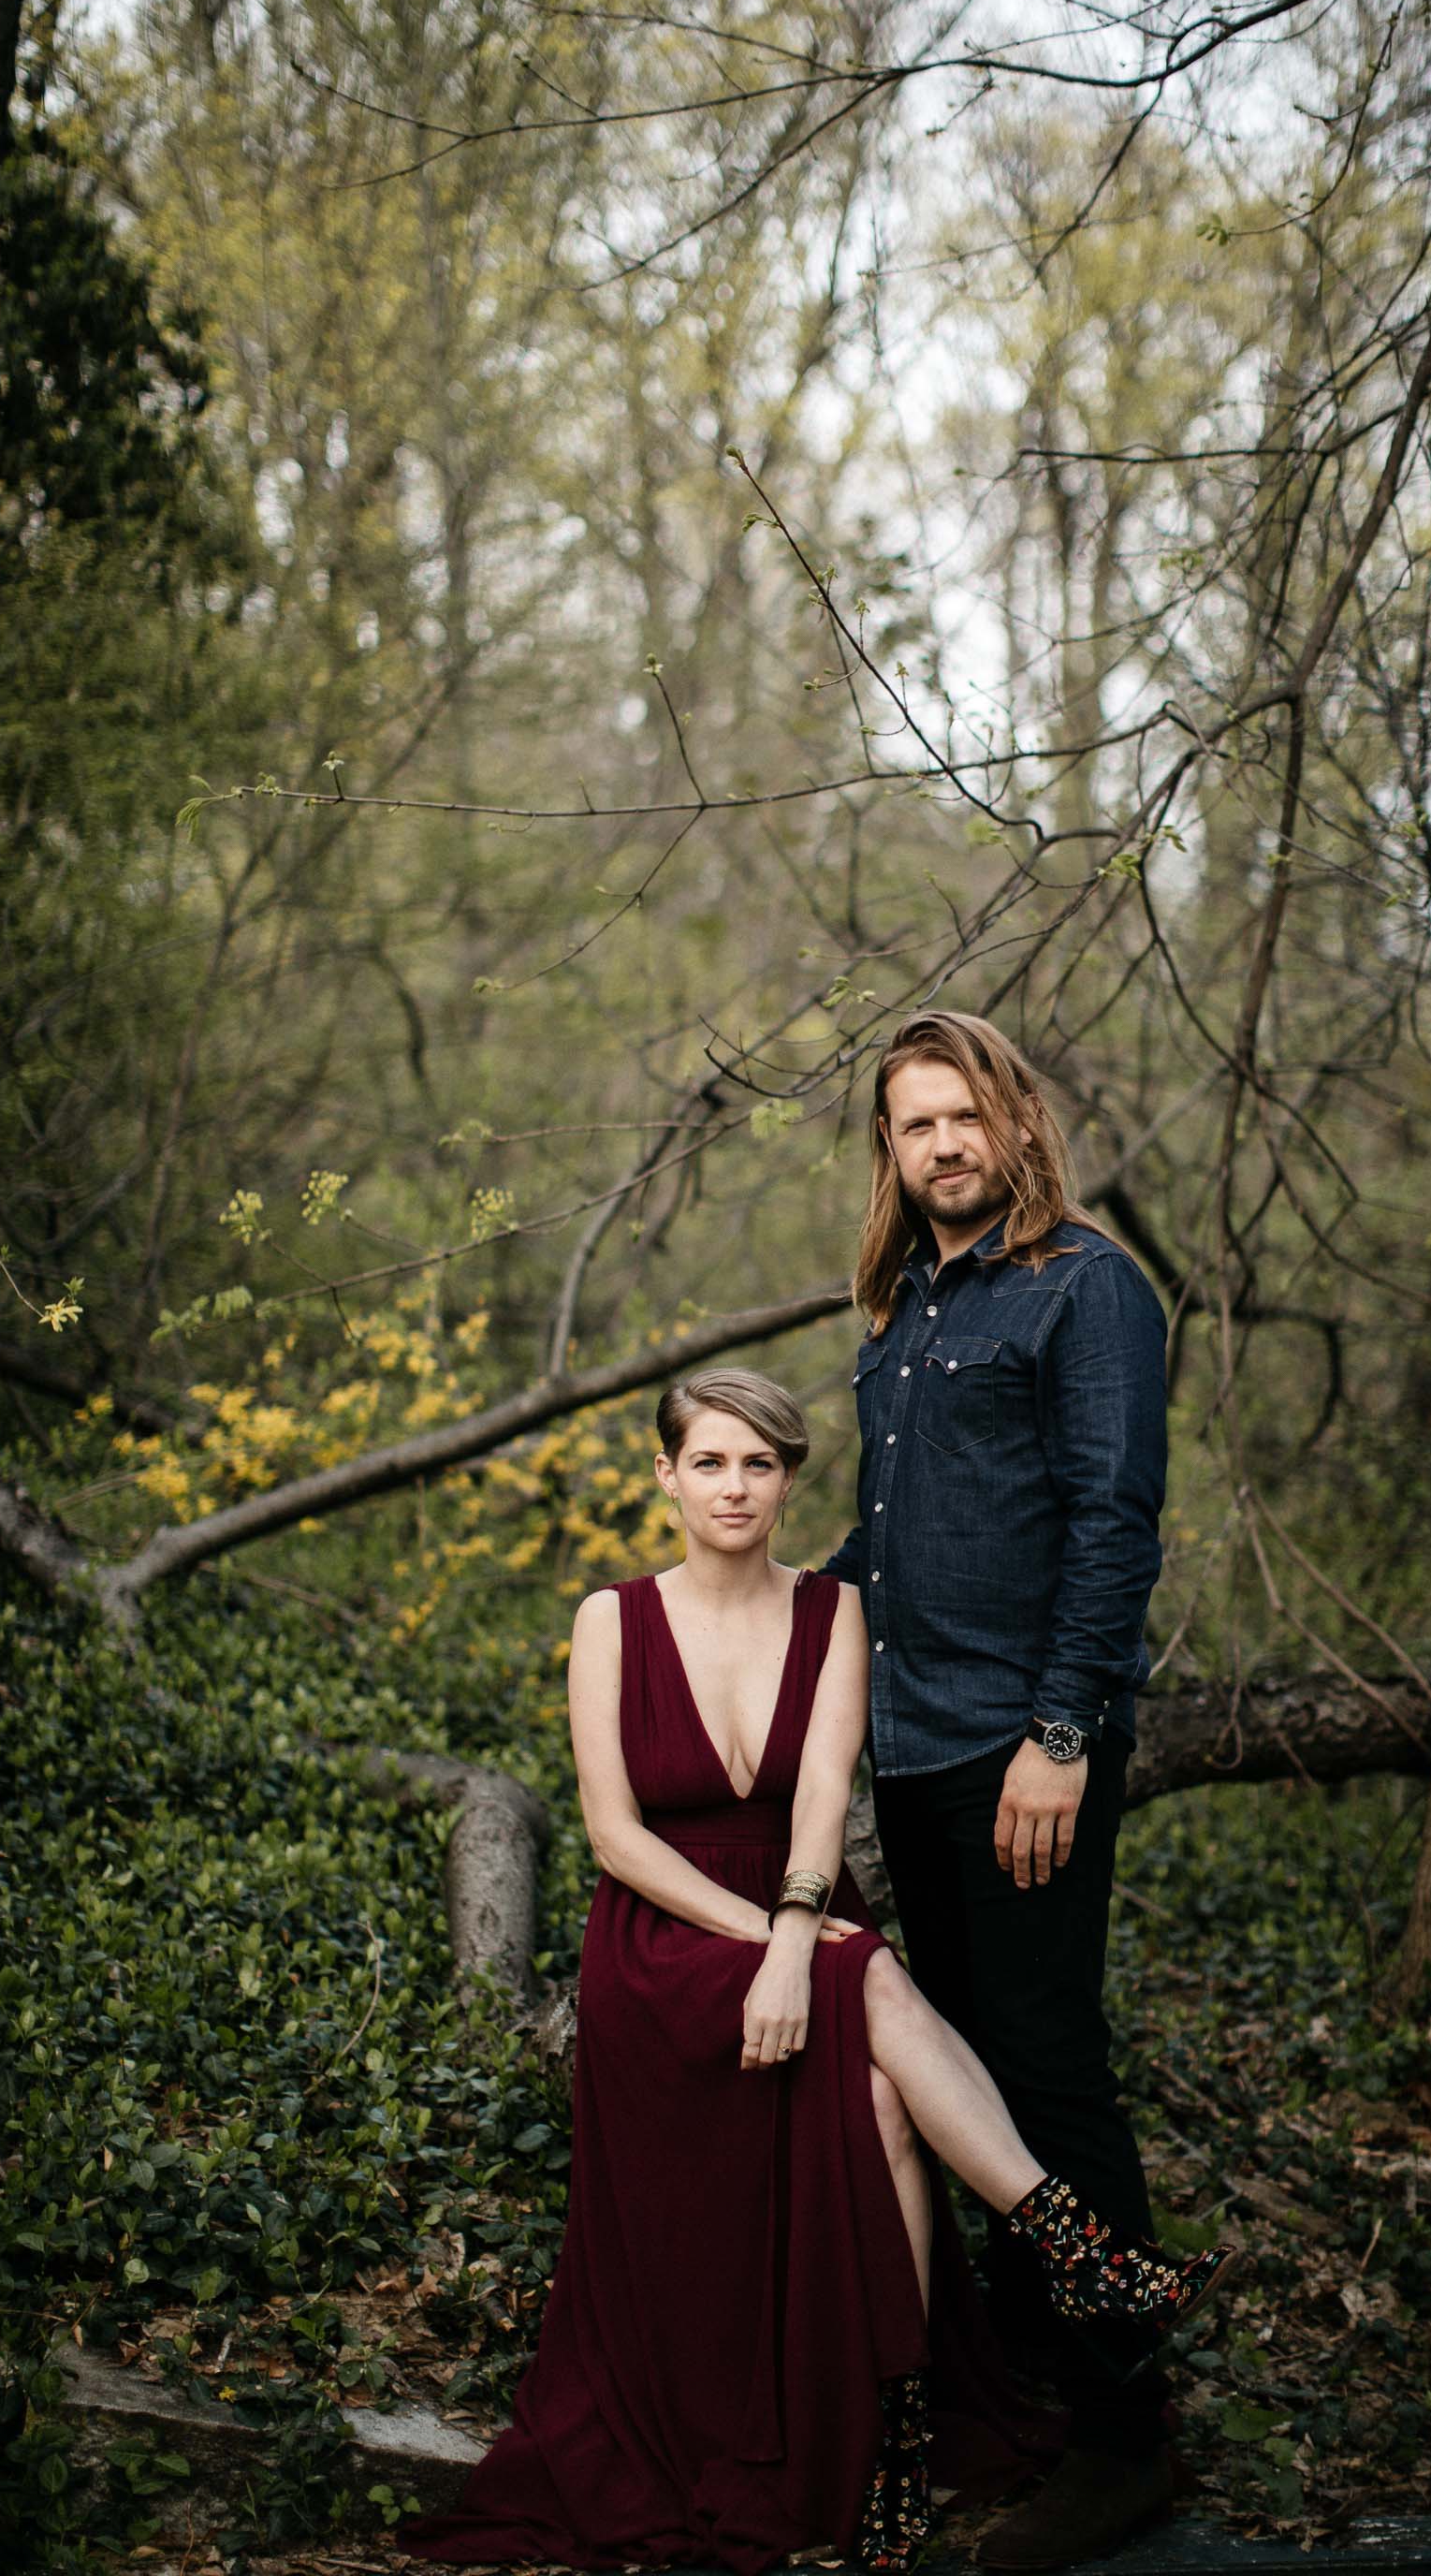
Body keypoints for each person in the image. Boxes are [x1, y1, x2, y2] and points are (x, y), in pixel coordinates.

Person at [398, 1368, 1227, 2575]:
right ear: (667, 1474)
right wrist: (770, 1945)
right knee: (872, 1978)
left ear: (790, 1479)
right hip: (661, 1934)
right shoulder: (610, 1619)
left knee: (885, 2088)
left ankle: (890, 2429)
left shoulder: (835, 1610)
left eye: (761, 1464)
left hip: (800, 1904)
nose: (735, 1487)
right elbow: (613, 1837)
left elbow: (824, 1810)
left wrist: (793, 1942)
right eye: (711, 1462)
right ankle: (1077, 2250)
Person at [823, 1009, 1219, 2568]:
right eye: (912, 1124)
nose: (940, 1146)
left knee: (1045, 2073)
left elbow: (1114, 1525)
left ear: (1017, 1120)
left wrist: (1063, 1737)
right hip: (914, 1746)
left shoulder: (1087, 1289)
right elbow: (897, 1544)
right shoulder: (902, 1312)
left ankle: (1132, 2441)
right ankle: (1039, 2387)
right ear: (890, 1149)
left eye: (961, 1116)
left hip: (1020, 1749)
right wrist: (762, 1607)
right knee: (972, 2075)